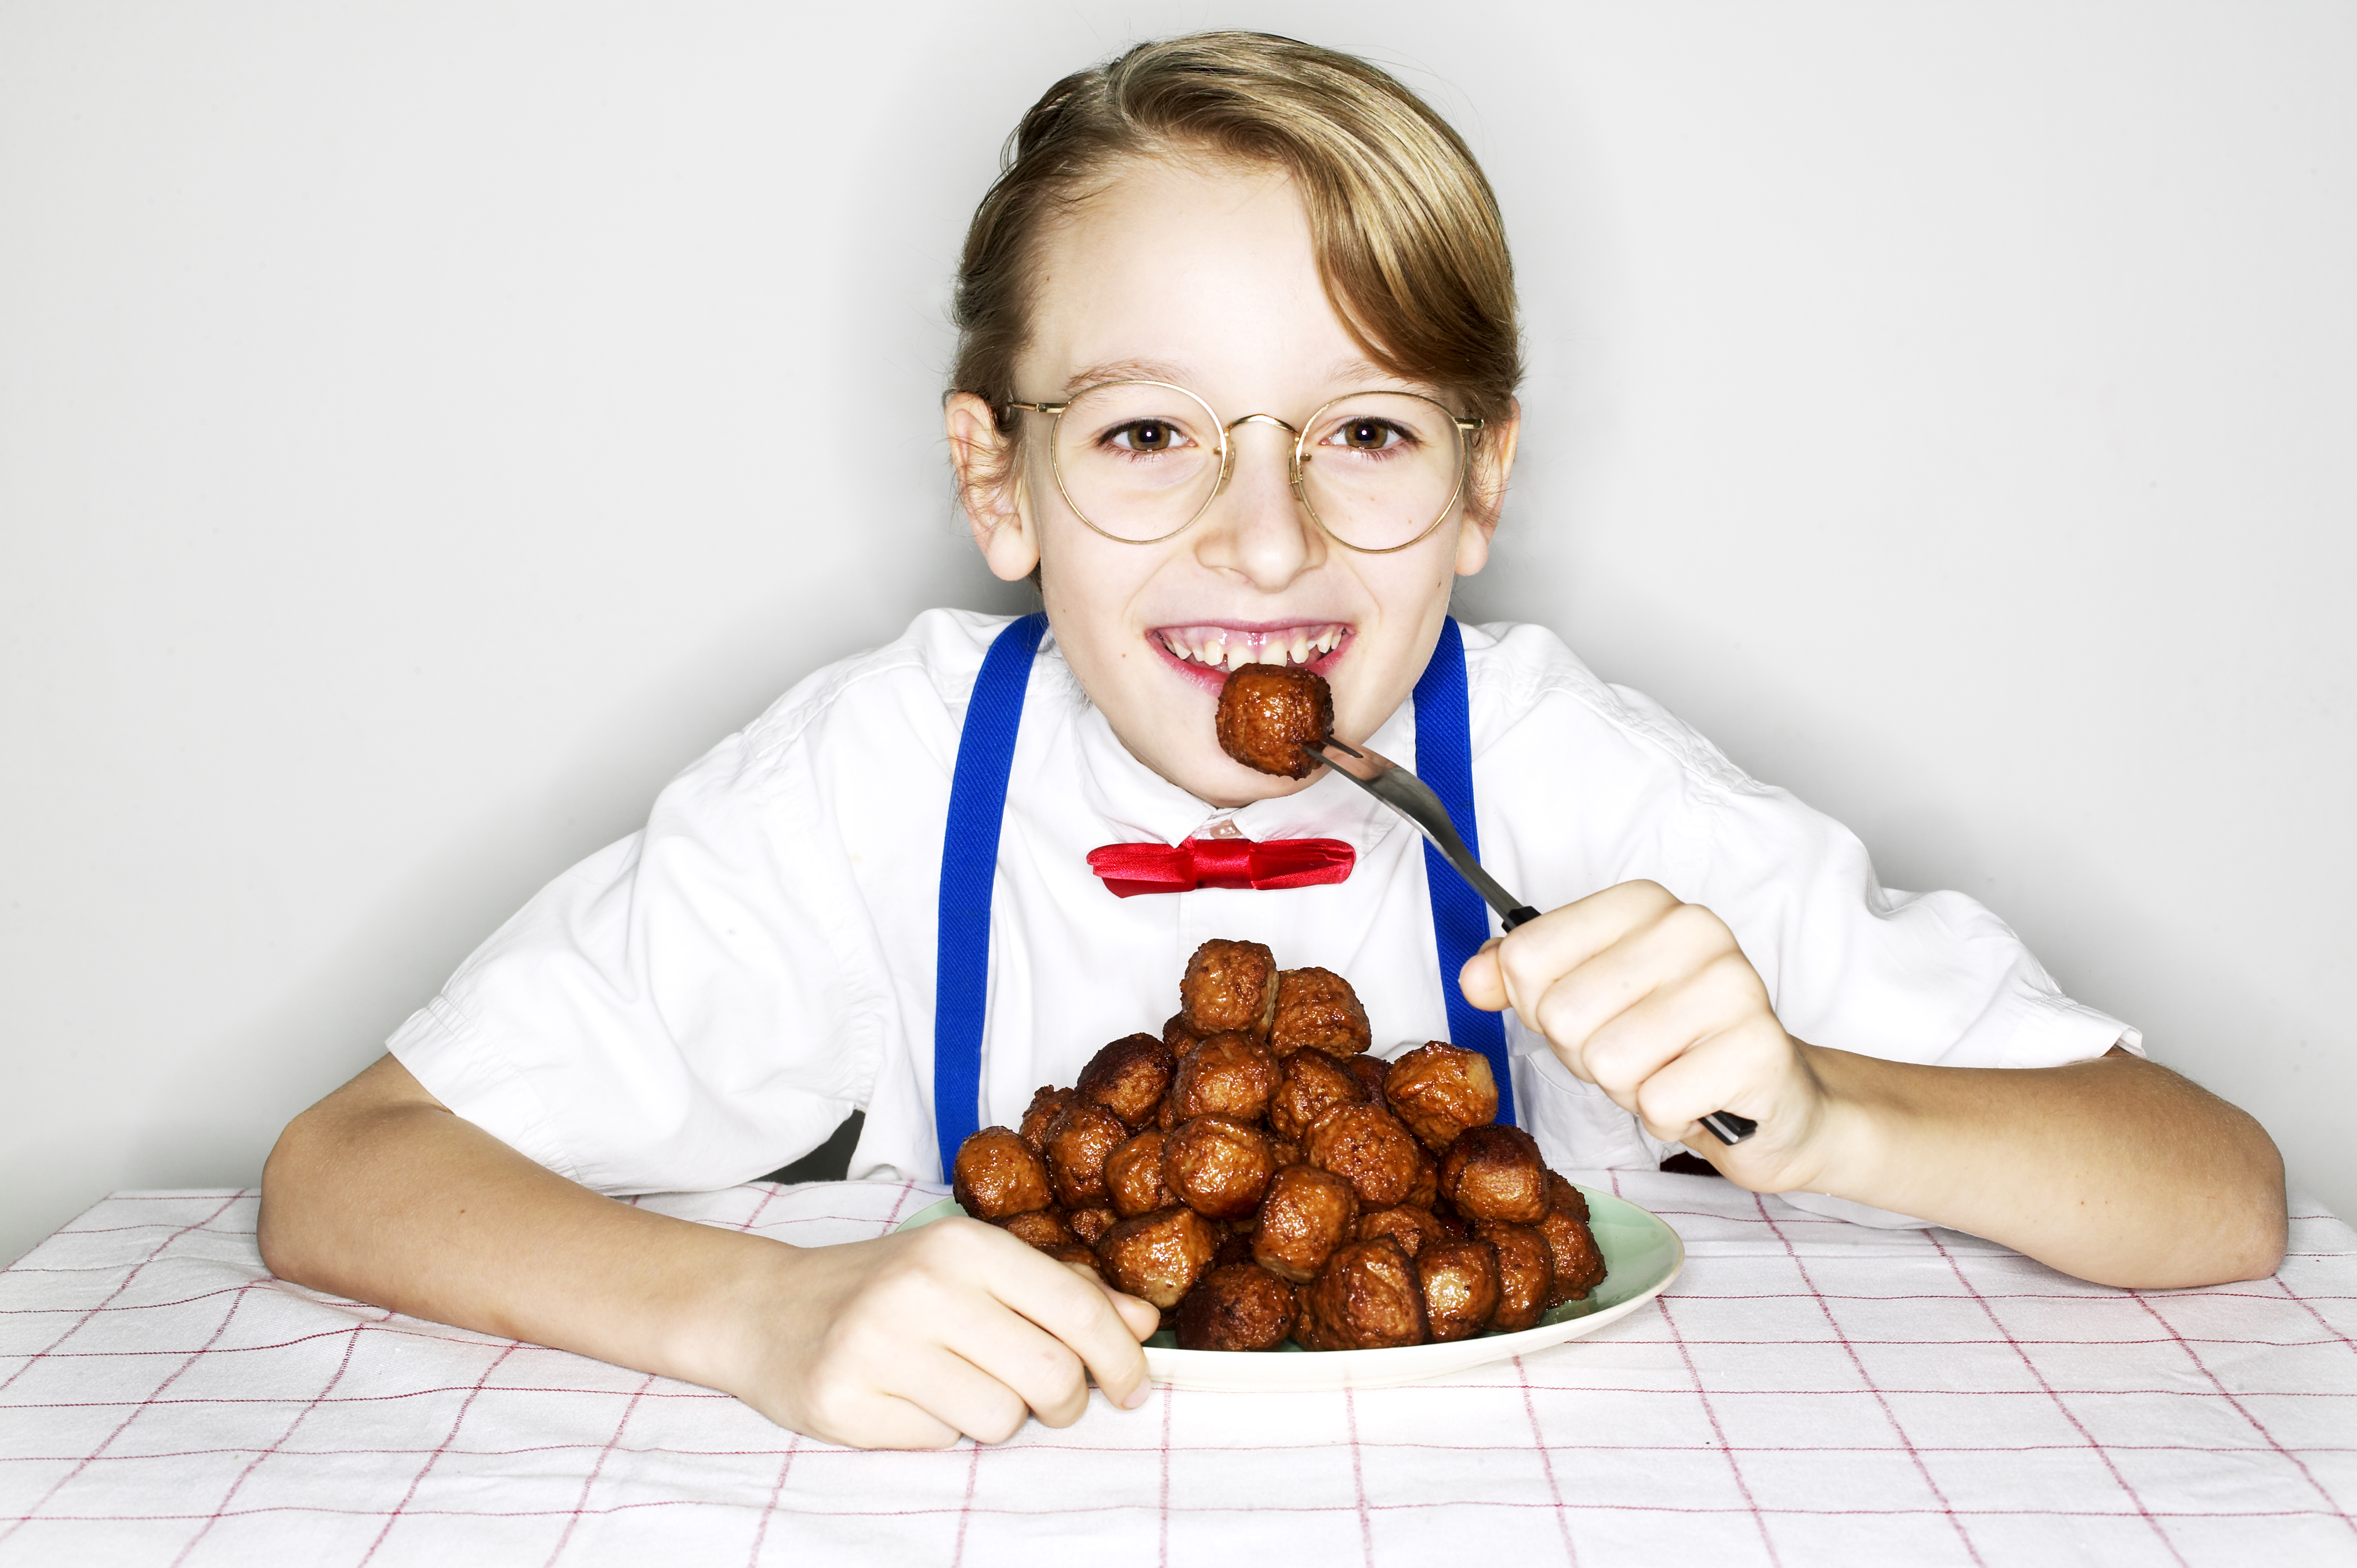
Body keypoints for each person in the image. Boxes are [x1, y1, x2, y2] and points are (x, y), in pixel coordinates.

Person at [258, 31, 2286, 1451]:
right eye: (1148, 431)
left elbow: (2214, 1192)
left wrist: (1824, 1113)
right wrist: (761, 1311)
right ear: (997, 482)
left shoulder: (1583, 783)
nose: (1266, 535)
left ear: (1482, 487)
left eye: (1368, 433)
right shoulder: (884, 777)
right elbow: (343, 1177)